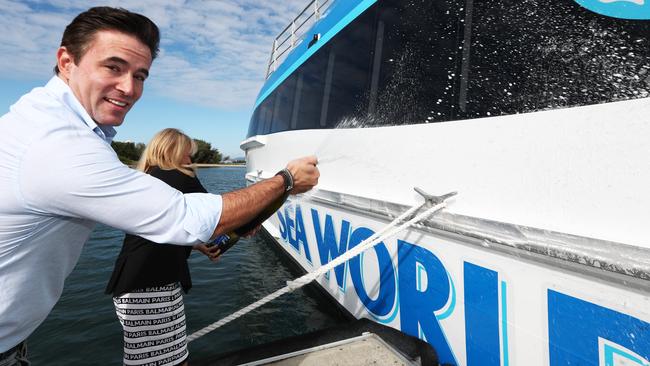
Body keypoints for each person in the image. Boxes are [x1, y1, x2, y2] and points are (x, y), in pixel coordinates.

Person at [0, 7, 319, 365]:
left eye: (140, 76)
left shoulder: (39, 121)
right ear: (66, 61)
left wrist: (206, 237)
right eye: (113, 67)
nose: (129, 88)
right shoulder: (58, 144)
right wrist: (286, 180)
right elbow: (190, 217)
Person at [106, 128, 221, 366]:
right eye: (188, 154)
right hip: (152, 287)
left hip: (132, 286)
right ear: (173, 152)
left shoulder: (147, 178)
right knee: (172, 361)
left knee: (148, 360)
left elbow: (159, 229)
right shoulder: (178, 176)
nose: (191, 161)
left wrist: (197, 245)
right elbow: (218, 216)